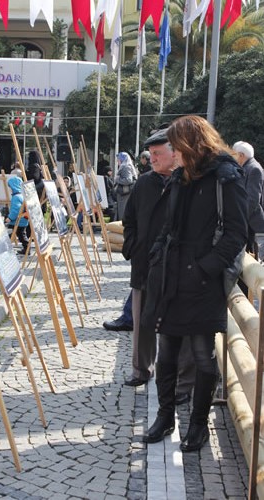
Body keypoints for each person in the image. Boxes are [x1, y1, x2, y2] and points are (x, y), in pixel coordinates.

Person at [141, 115, 248, 452]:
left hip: (203, 282)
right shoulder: (179, 178)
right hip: (172, 278)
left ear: (192, 144)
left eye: (176, 145)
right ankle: (165, 416)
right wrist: (157, 256)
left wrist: (206, 268)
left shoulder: (226, 177)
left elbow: (237, 233)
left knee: (203, 357)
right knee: (167, 353)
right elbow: (167, 227)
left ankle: (198, 425)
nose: (173, 152)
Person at [121, 129, 196, 404]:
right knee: (143, 321)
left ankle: (182, 382)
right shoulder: (144, 183)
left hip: (177, 268)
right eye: (150, 155)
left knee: (180, 324)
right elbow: (128, 219)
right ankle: (141, 369)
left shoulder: (188, 182)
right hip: (144, 264)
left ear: (174, 153)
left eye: (156, 154)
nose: (151, 159)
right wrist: (132, 247)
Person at [232, 141, 264, 252]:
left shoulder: (254, 168)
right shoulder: (247, 167)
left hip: (253, 224)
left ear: (241, 155)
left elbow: (252, 200)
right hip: (248, 223)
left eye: (234, 155)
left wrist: (239, 218)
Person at [5, 176, 30, 256]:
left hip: (18, 221)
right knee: (21, 234)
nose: (10, 189)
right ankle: (26, 248)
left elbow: (16, 210)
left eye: (10, 187)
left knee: (17, 235)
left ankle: (26, 249)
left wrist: (10, 218)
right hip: (23, 220)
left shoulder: (16, 197)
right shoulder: (21, 195)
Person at [115, 152, 137, 220]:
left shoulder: (125, 166)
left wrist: (117, 179)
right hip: (126, 193)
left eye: (118, 159)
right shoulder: (127, 165)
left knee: (123, 211)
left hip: (124, 194)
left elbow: (128, 180)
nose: (117, 161)